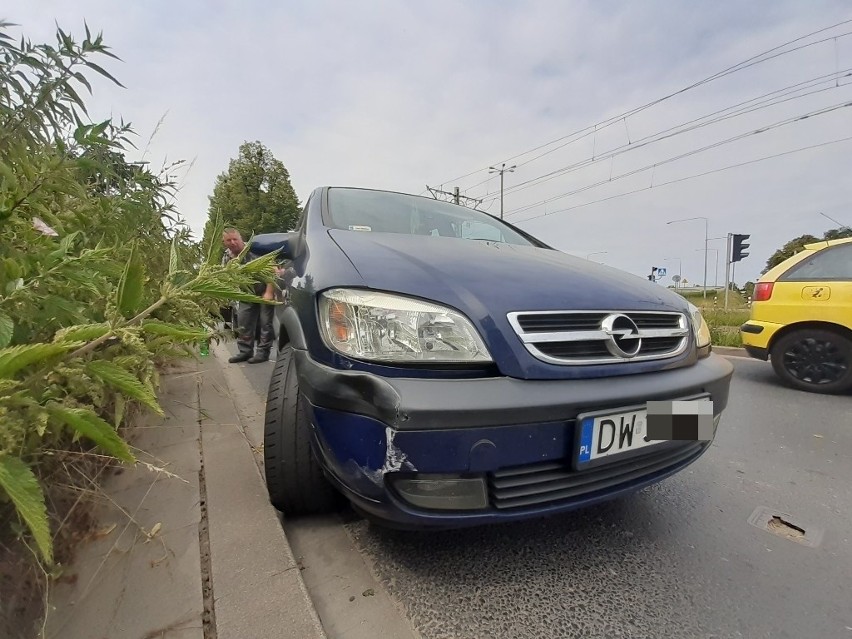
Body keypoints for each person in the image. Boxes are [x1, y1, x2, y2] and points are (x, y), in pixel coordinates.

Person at [222, 228, 275, 364]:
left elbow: (272, 270)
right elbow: (225, 276)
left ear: (241, 239)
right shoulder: (227, 256)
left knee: (265, 323)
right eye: (229, 240)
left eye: (235, 239)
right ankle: (245, 352)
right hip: (246, 293)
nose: (233, 242)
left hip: (264, 289)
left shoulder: (255, 249)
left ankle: (263, 353)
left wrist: (269, 292)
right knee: (244, 322)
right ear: (224, 242)